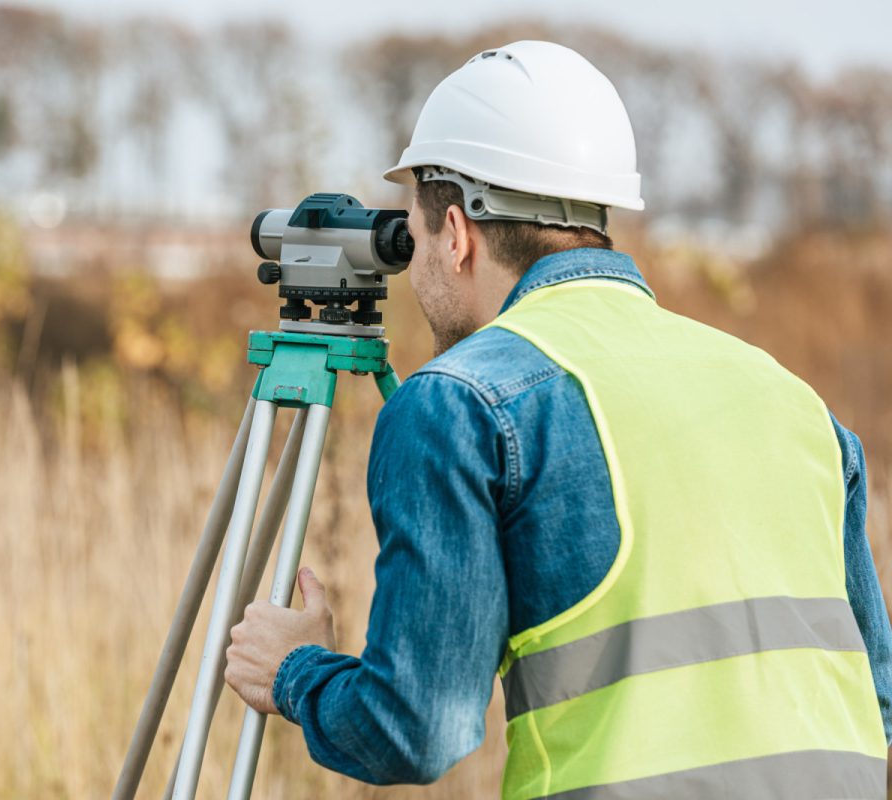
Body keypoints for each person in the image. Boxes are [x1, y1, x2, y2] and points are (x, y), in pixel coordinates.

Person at [224, 40, 892, 798]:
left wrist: (294, 672)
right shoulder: (791, 398)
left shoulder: (458, 402)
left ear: (455, 232)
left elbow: (418, 730)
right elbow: (871, 697)